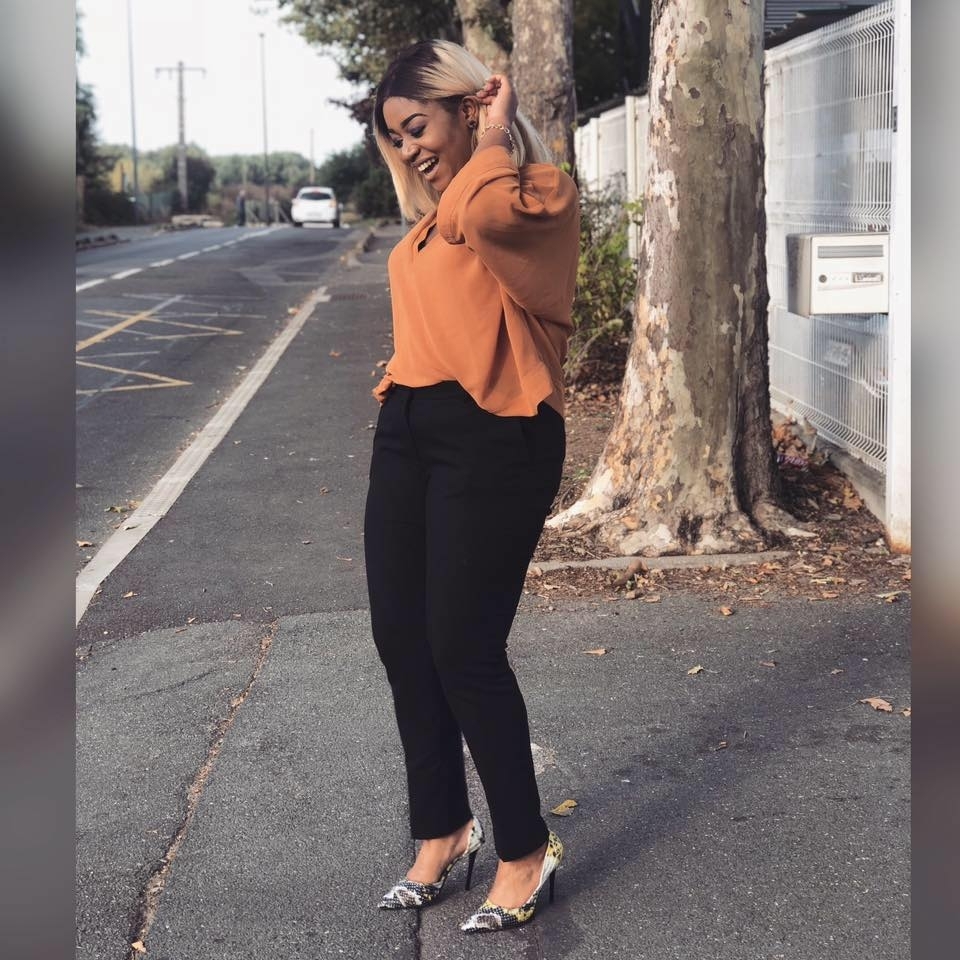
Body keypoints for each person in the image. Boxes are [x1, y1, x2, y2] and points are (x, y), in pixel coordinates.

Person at [363, 39, 579, 934]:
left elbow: (483, 219)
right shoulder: (428, 224)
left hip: (496, 434)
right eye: (396, 138)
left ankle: (525, 850)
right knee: (403, 638)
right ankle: (444, 830)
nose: (409, 148)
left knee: (463, 644)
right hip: (409, 429)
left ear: (468, 104)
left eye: (419, 126)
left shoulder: (530, 194)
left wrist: (495, 133)